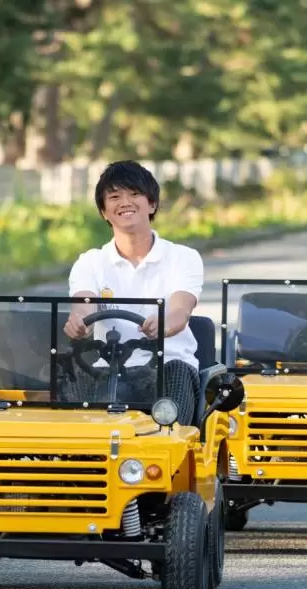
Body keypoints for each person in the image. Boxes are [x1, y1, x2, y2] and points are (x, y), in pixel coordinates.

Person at [61, 160, 204, 425]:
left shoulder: (183, 257)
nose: (125, 202)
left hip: (168, 365)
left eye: (134, 194)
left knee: (172, 389)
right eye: (114, 197)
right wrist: (80, 325)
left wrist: (163, 325)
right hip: (109, 367)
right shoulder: (90, 261)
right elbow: (83, 306)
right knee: (74, 401)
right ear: (104, 211)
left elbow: (180, 311)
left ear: (151, 204)